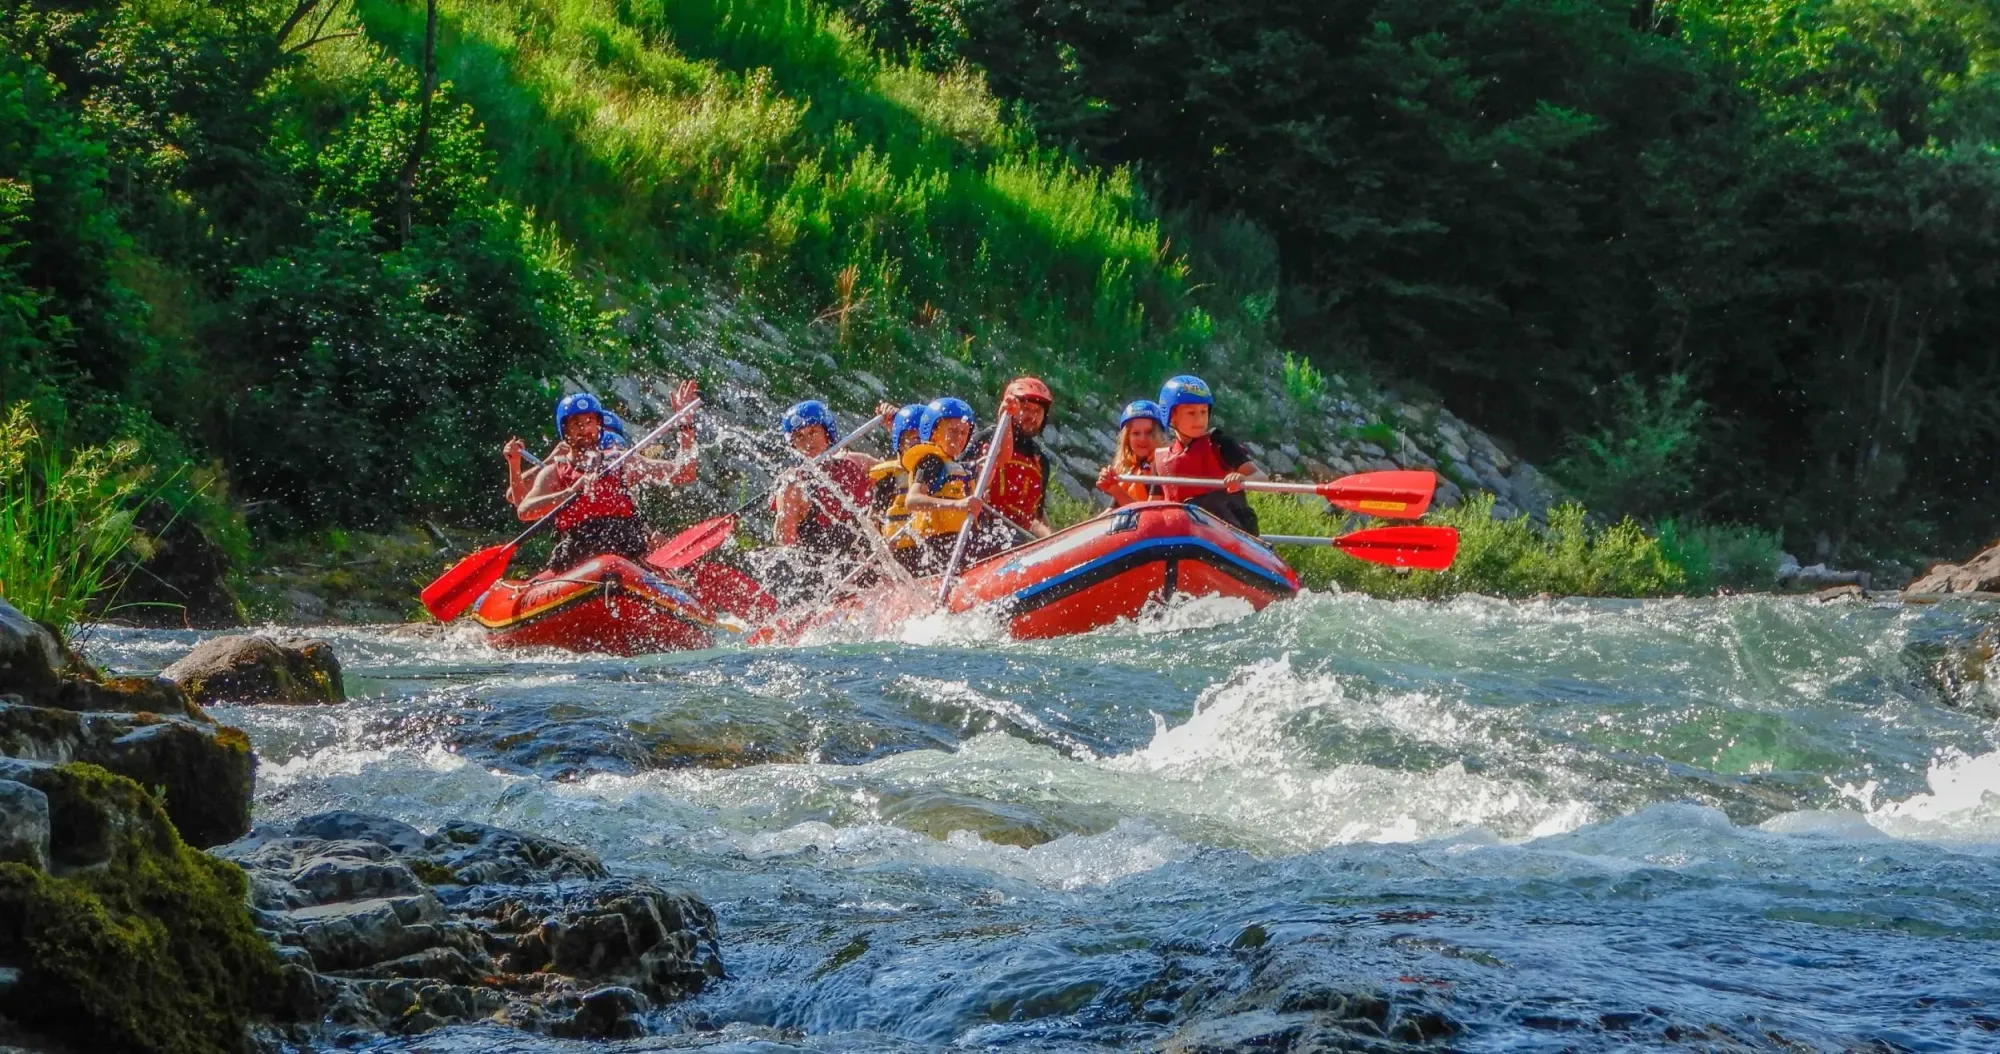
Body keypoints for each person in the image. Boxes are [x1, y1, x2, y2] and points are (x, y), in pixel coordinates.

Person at [515, 384, 701, 572]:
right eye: (576, 424)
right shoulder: (554, 472)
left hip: (627, 554)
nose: (584, 429)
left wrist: (685, 425)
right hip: (577, 559)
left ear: (599, 426)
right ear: (565, 431)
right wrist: (570, 492)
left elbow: (684, 472)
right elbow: (524, 511)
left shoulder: (622, 462)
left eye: (590, 422)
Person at [1154, 374, 1263, 535]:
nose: (1199, 419)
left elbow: (1261, 477)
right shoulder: (1161, 459)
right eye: (1191, 413)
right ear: (1171, 416)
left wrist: (1243, 479)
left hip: (1229, 531)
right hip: (1182, 533)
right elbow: (1154, 505)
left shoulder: (1221, 443)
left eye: (1204, 412)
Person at [772, 400, 877, 558]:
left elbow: (902, 473)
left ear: (827, 433)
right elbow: (784, 540)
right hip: (826, 569)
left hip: (871, 560)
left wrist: (894, 425)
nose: (807, 442)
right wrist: (785, 493)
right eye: (799, 436)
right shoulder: (794, 485)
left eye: (813, 432)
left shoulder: (857, 463)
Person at [967, 378, 1055, 555]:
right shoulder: (988, 438)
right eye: (1026, 409)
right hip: (981, 530)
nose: (1032, 416)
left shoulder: (1040, 460)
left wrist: (1053, 541)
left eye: (1038, 411)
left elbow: (1036, 517)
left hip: (1019, 537)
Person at [901, 397, 984, 573]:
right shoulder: (931, 461)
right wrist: (956, 504)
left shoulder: (958, 467)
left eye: (964, 433)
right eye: (953, 431)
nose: (959, 438)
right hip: (938, 545)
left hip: (962, 541)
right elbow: (912, 501)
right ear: (933, 432)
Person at [870, 403, 929, 573]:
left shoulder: (940, 469)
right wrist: (881, 543)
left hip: (931, 542)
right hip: (900, 550)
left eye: (924, 439)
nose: (920, 446)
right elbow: (873, 518)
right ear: (900, 444)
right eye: (914, 440)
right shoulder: (890, 477)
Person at [1096, 399, 1168, 507]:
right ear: (1127, 439)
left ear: (1159, 436)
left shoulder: (1163, 467)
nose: (1142, 439)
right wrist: (1111, 486)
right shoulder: (1131, 471)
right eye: (1136, 433)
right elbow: (1109, 513)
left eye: (1149, 432)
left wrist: (1115, 489)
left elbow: (1150, 514)